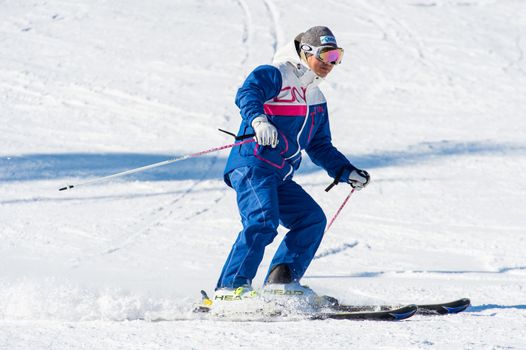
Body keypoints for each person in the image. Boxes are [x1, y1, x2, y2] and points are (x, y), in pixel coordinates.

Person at [214, 26, 370, 304]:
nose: (331, 63)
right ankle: (230, 289)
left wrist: (346, 171)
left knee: (311, 219)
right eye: (326, 54)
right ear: (306, 51)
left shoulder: (316, 99)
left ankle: (281, 282)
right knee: (262, 221)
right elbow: (248, 93)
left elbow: (320, 146)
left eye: (337, 56)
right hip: (252, 164)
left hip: (279, 175)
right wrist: (258, 120)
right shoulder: (276, 73)